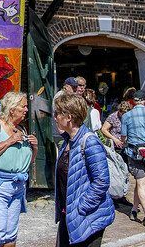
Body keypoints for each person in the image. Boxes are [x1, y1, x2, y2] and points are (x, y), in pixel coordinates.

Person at [53, 93, 114, 247]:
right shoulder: (67, 142)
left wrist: (82, 206)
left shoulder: (89, 141)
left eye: (58, 113)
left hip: (88, 216)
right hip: (70, 214)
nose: (55, 117)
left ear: (69, 117)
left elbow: (101, 181)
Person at [0, 92, 38, 247]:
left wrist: (35, 147)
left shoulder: (21, 129)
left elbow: (27, 161)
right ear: (12, 109)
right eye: (23, 106)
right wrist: (9, 141)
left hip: (18, 186)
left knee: (11, 233)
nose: (26, 109)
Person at [120, 90, 145, 228]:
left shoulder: (126, 116)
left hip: (134, 153)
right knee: (141, 181)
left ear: (134, 101)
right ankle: (133, 210)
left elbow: (124, 137)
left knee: (140, 182)